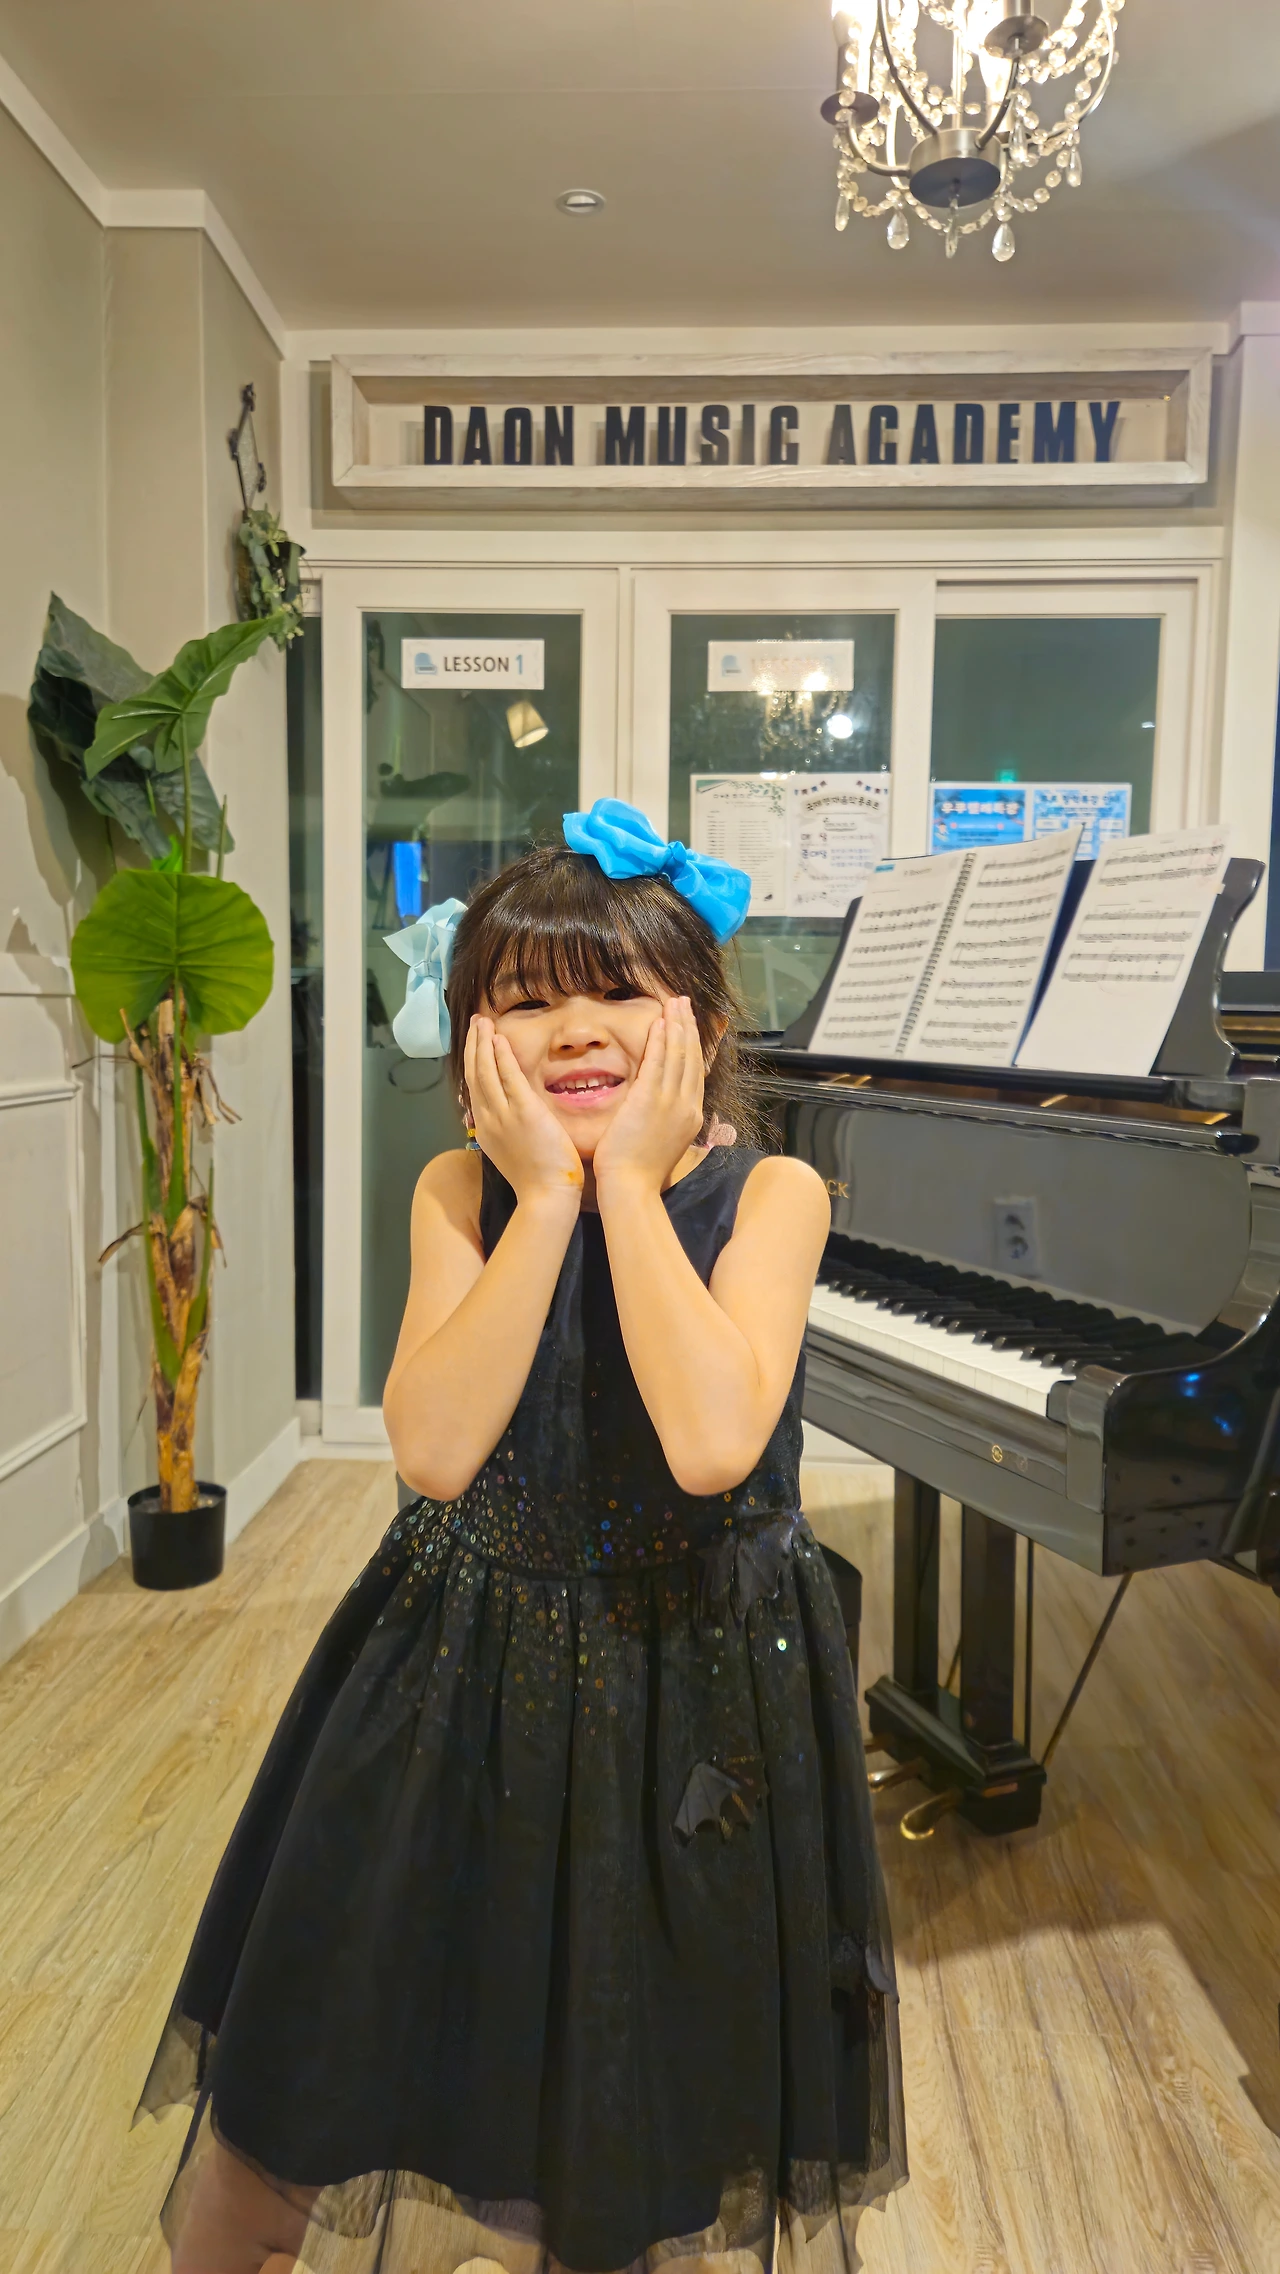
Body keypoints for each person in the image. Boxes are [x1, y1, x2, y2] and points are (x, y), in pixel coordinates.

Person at [142, 799, 905, 2274]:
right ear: (474, 1043)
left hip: (691, 1689)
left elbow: (711, 1441)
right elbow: (433, 1450)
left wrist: (624, 1188)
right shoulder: (463, 1192)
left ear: (703, 1020)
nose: (575, 1030)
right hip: (462, 1677)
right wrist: (548, 1195)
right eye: (527, 1000)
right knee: (312, 2065)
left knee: (623, 2112)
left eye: (618, 991)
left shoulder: (774, 1196)